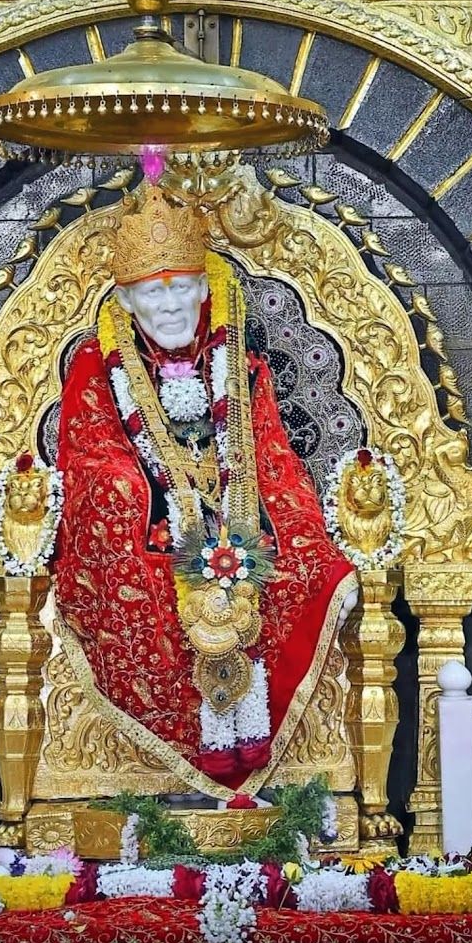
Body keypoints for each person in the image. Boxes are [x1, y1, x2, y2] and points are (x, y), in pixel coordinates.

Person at [54, 187, 358, 795]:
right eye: (151, 293)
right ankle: (174, 768)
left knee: (298, 569)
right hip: (151, 531)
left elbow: (273, 459)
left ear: (202, 293)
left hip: (238, 531)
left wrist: (305, 544)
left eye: (178, 290)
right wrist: (159, 504)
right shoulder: (97, 366)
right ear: (129, 301)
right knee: (135, 563)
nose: (167, 307)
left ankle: (262, 755)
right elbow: (92, 461)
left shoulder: (240, 369)